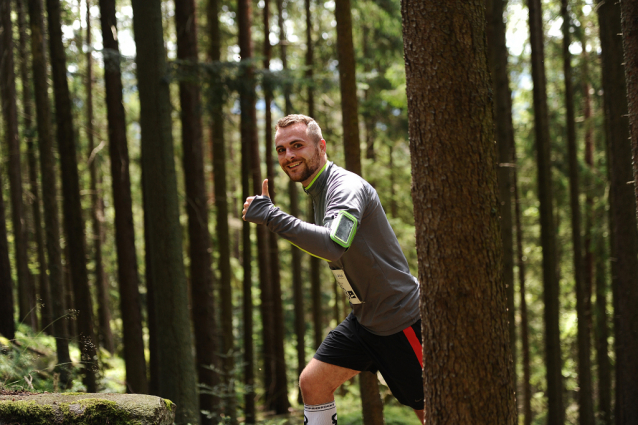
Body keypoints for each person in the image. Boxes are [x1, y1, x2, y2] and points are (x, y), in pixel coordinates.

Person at [243, 114, 424, 424]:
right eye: (282, 150)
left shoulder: (345, 186)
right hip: (365, 321)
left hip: (401, 320)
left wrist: (273, 216)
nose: (289, 156)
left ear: (321, 147)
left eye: (297, 146)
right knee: (313, 383)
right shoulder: (318, 189)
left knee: (430, 412)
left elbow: (333, 244)